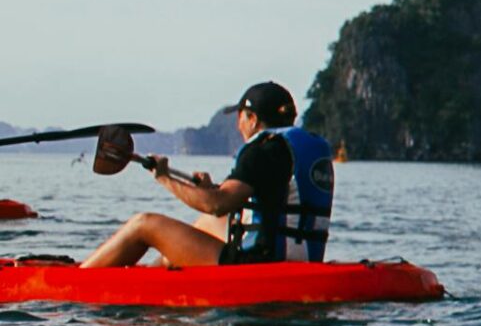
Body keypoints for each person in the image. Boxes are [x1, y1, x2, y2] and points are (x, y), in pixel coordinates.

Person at [82, 82, 335, 269]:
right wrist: (209, 189)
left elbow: (216, 204)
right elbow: (244, 199)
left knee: (144, 224)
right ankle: (155, 276)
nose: (239, 126)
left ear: (252, 119)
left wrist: (164, 178)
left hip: (259, 264)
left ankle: (82, 279)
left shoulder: (262, 150)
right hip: (300, 258)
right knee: (206, 223)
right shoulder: (302, 147)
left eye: (240, 118)